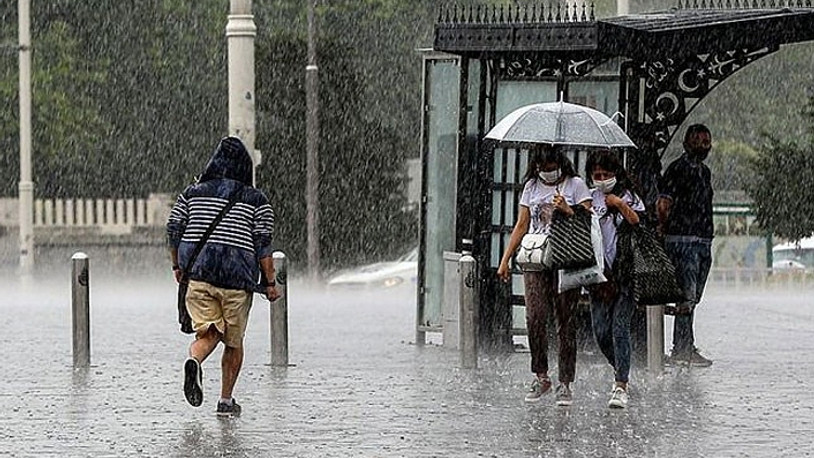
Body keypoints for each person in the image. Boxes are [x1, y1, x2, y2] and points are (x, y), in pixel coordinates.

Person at [167, 136, 280, 416]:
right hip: (236, 282)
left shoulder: (192, 194)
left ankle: (194, 360)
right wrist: (270, 283)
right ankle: (226, 402)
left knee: (210, 331)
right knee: (233, 342)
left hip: (199, 275)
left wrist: (177, 266)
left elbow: (174, 230)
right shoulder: (257, 201)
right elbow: (263, 246)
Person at [497, 147, 592, 406]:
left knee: (565, 320)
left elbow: (588, 220)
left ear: (559, 164)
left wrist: (568, 209)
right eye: (542, 168)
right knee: (535, 316)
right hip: (536, 258)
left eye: (551, 167)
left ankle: (565, 381)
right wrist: (506, 259)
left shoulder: (575, 185)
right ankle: (541, 375)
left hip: (565, 257)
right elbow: (522, 224)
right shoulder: (531, 186)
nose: (546, 172)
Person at [585, 150, 644, 409]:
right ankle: (621, 367)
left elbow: (638, 222)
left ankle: (621, 384)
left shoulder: (629, 196)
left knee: (619, 327)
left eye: (606, 174)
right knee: (601, 331)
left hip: (626, 273)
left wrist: (619, 204)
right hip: (599, 276)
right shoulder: (589, 197)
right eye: (597, 175)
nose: (601, 179)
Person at [656, 124, 714, 367]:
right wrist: (664, 228)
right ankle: (682, 348)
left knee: (693, 296)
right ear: (686, 144)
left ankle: (685, 344)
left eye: (706, 142)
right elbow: (663, 204)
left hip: (702, 240)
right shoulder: (677, 170)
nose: (703, 146)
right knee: (686, 296)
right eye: (697, 141)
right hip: (682, 240)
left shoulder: (704, 172)